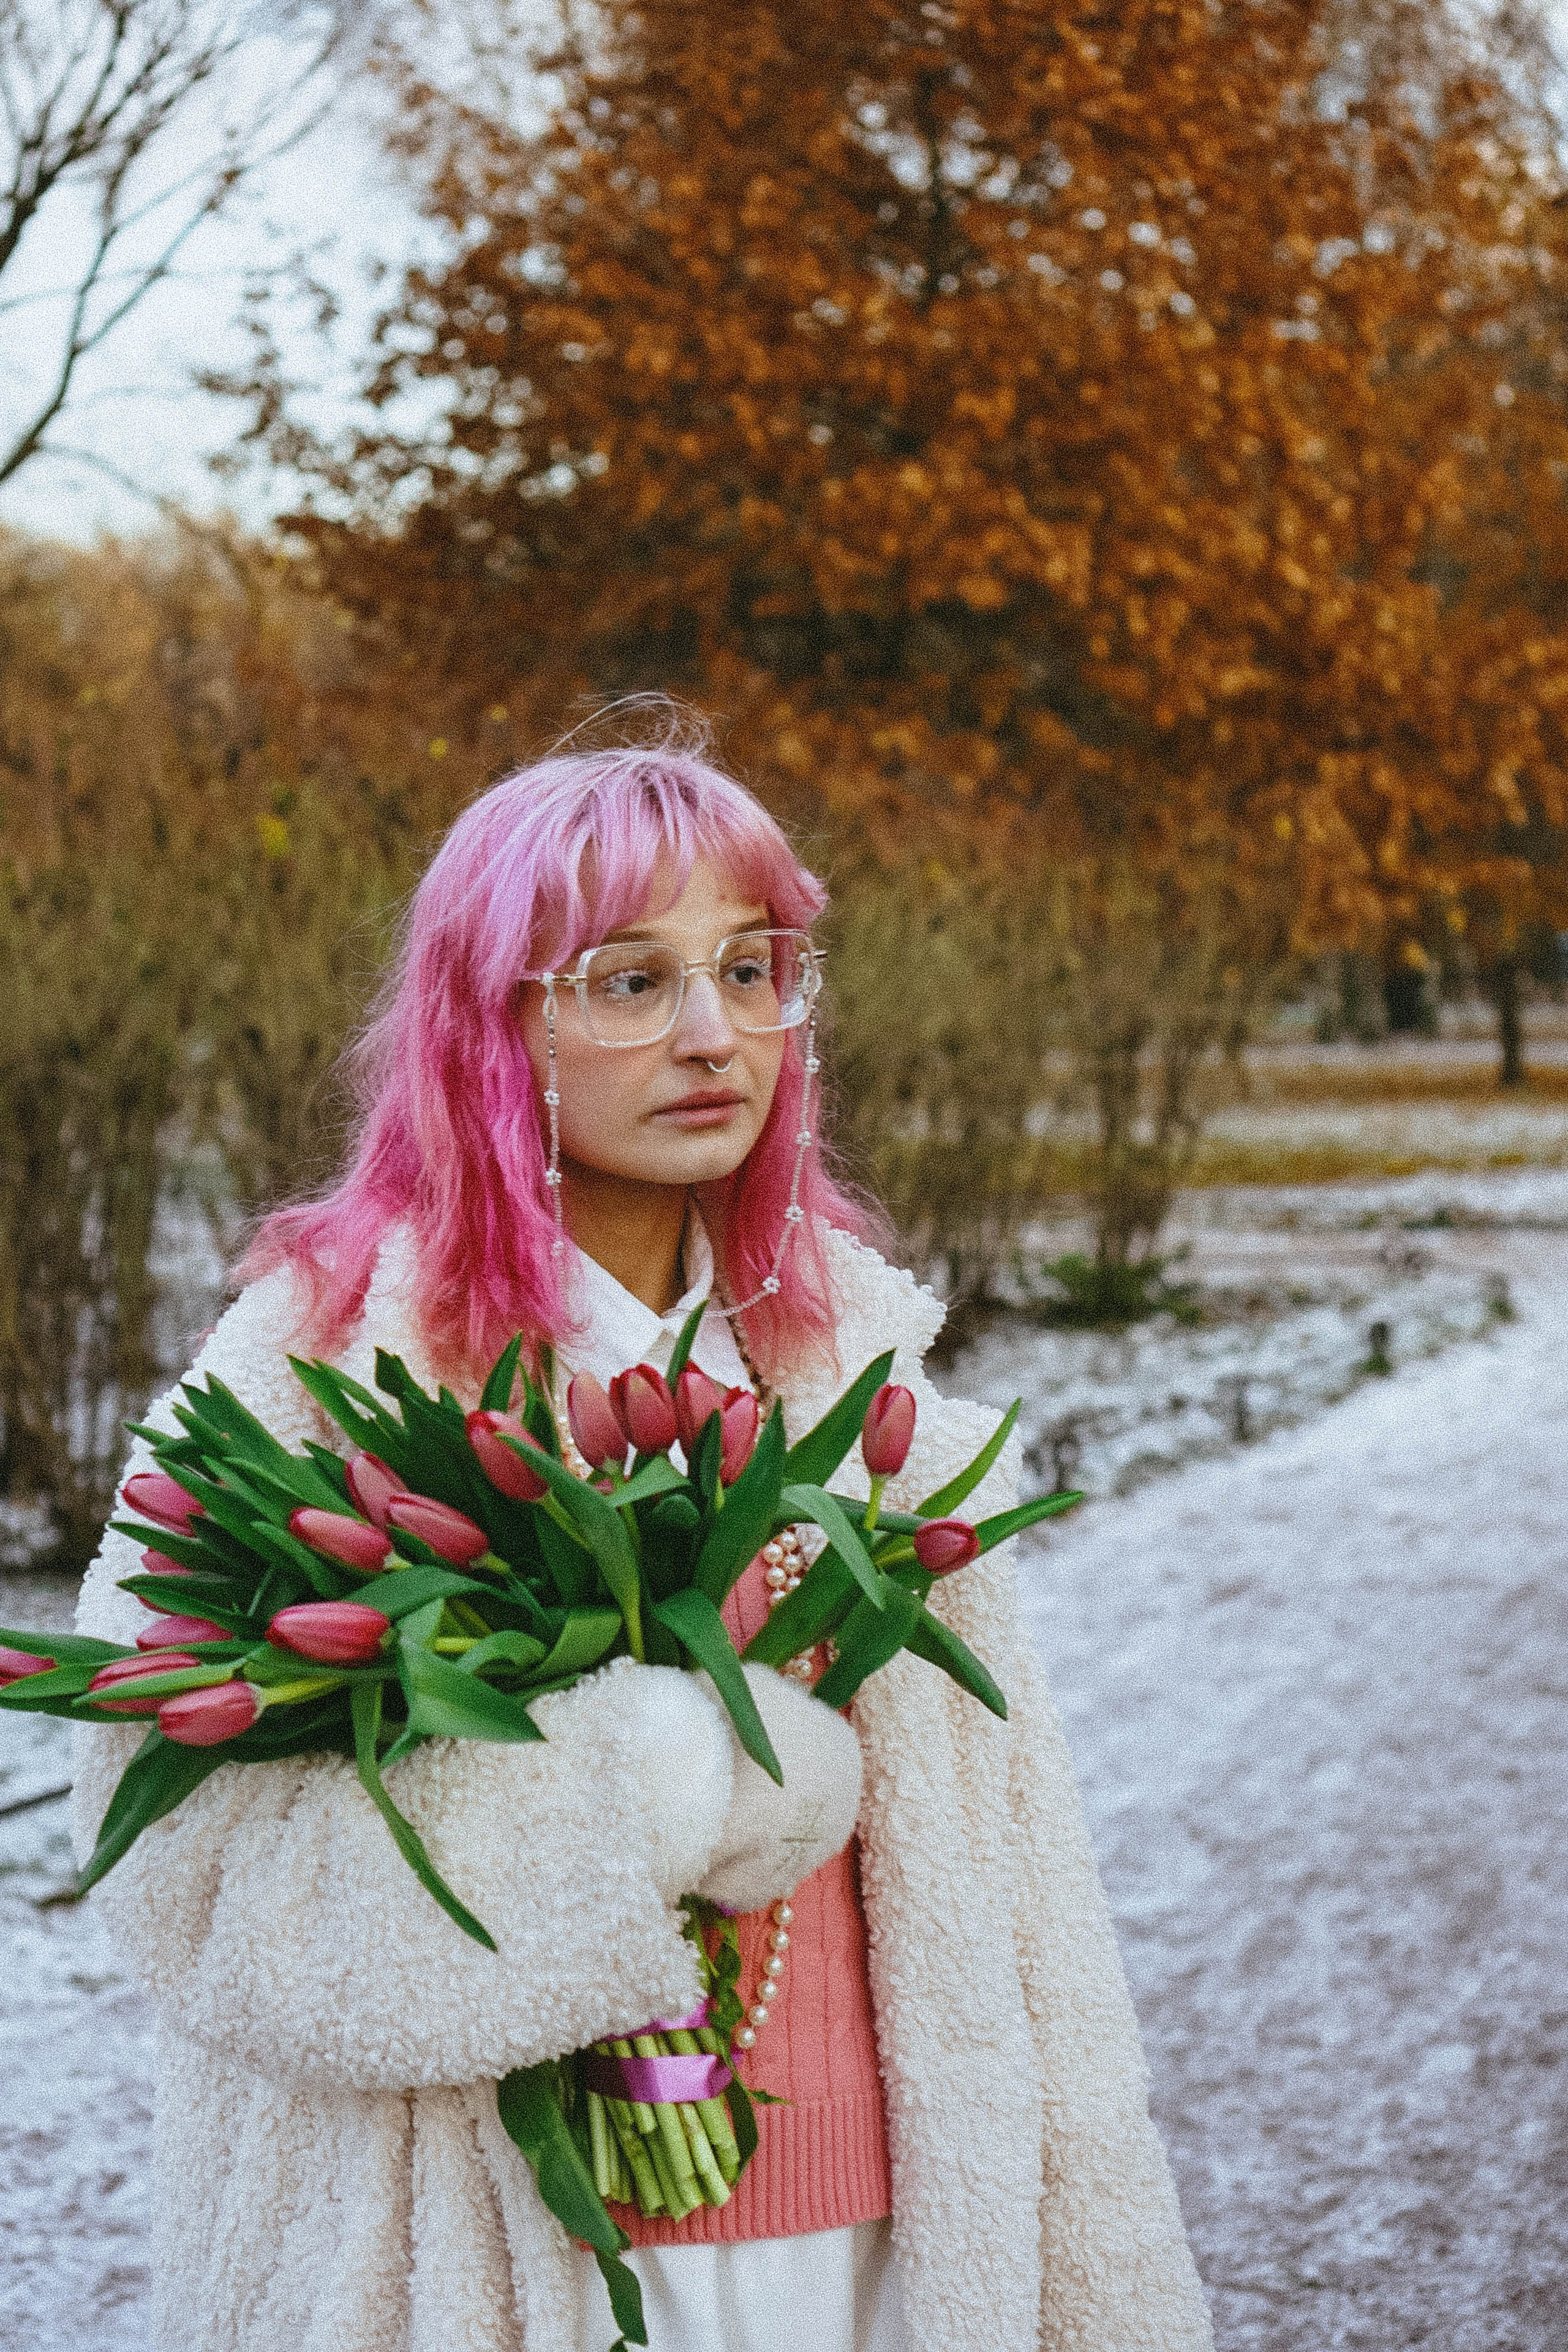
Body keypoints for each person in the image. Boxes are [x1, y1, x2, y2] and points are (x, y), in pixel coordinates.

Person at [72, 717, 1214, 2352]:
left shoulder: (845, 1366)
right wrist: (653, 1785)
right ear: (493, 1022)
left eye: (752, 969)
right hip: (501, 2253)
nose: (714, 1034)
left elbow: (1020, 1895)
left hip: (883, 2234)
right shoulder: (320, 1369)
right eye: (631, 979)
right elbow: (177, 1858)